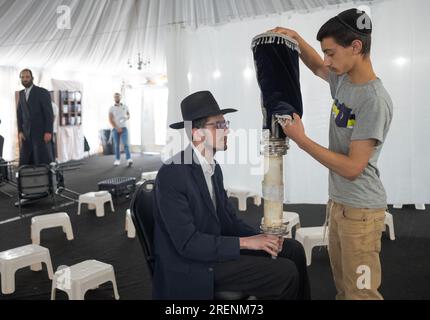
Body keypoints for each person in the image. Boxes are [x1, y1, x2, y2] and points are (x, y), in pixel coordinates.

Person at [270, 8, 393, 300]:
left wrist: (302, 140)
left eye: (331, 53)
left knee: (360, 295)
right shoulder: (344, 79)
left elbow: (353, 167)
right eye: (324, 52)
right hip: (339, 204)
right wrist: (296, 39)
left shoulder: (373, 100)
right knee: (343, 289)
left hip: (361, 213)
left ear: (356, 46)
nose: (326, 60)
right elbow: (315, 66)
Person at [152, 90, 310, 300]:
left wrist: (262, 237)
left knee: (293, 250)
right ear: (197, 133)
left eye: (226, 124)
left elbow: (229, 222)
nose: (227, 130)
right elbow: (187, 244)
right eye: (218, 125)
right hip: (193, 266)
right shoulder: (172, 174)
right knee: (285, 272)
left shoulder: (213, 168)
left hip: (212, 250)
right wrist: (247, 243)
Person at [17, 69, 54, 166]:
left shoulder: (42, 92)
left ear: (32, 78)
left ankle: (46, 180)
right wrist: (20, 131)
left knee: (42, 161)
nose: (25, 79)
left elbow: (49, 114)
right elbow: (19, 114)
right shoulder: (21, 94)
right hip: (26, 135)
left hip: (41, 133)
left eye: (27, 77)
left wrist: (48, 131)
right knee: (25, 162)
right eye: (22, 77)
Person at [108, 93, 132, 167]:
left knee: (126, 144)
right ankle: (117, 160)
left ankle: (129, 159)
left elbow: (128, 115)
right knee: (116, 145)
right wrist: (116, 128)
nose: (117, 98)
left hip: (124, 128)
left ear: (120, 97)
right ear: (114, 98)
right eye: (115, 97)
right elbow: (110, 119)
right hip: (115, 129)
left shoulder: (125, 106)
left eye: (118, 97)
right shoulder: (111, 108)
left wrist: (126, 117)